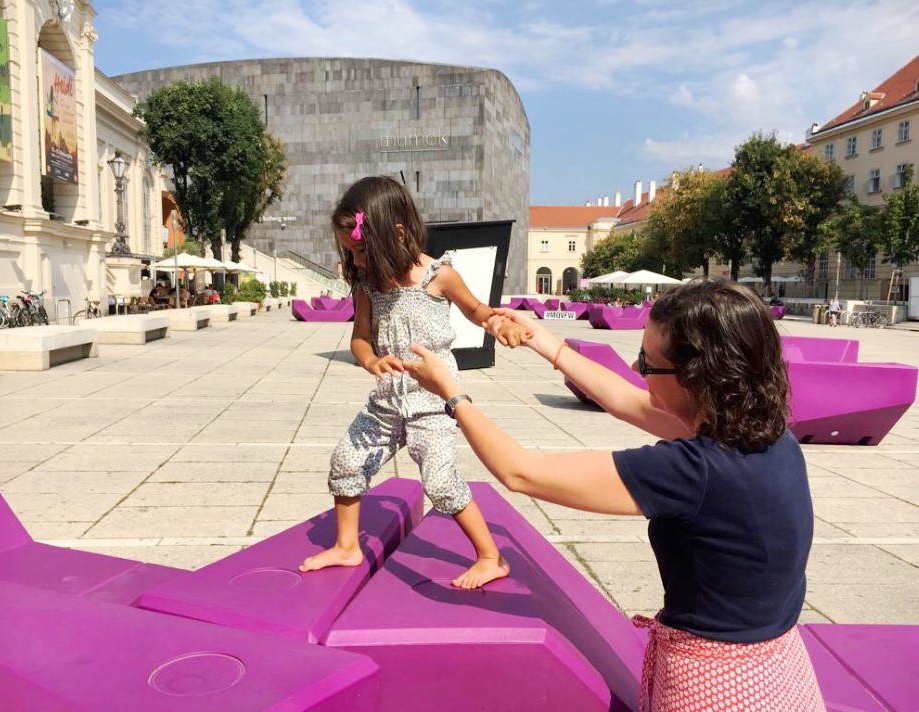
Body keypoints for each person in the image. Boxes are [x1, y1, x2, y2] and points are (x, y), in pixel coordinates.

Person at [402, 279, 825, 710]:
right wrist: (543, 342)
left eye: (647, 363)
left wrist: (451, 394)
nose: (638, 372)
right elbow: (626, 400)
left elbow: (521, 472)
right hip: (780, 670)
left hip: (714, 684)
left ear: (698, 376)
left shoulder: (692, 471)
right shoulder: (770, 438)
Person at [298, 175, 529, 589]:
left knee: (440, 482)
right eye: (351, 253)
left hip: (433, 399)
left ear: (398, 234)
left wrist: (500, 325)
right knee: (346, 461)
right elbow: (360, 338)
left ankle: (492, 556)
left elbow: (477, 311)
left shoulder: (439, 276)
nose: (359, 261)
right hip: (387, 400)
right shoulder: (367, 283)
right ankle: (348, 546)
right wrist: (370, 360)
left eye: (362, 251)